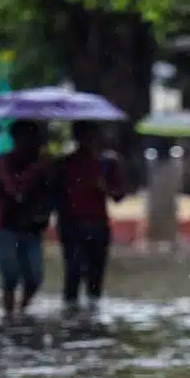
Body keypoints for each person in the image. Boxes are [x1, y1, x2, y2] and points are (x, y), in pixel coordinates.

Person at [0, 121, 55, 321]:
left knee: (35, 278)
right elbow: (16, 191)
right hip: (3, 226)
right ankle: (8, 316)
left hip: (31, 228)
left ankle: (21, 312)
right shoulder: (2, 161)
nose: (35, 144)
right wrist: (37, 170)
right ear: (17, 139)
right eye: (30, 138)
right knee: (11, 273)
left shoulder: (45, 164)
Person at [55, 121, 126, 313]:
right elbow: (56, 196)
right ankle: (71, 318)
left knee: (95, 279)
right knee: (73, 275)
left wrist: (103, 187)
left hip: (98, 226)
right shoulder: (64, 164)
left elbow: (119, 195)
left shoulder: (108, 163)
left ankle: (92, 320)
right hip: (72, 226)